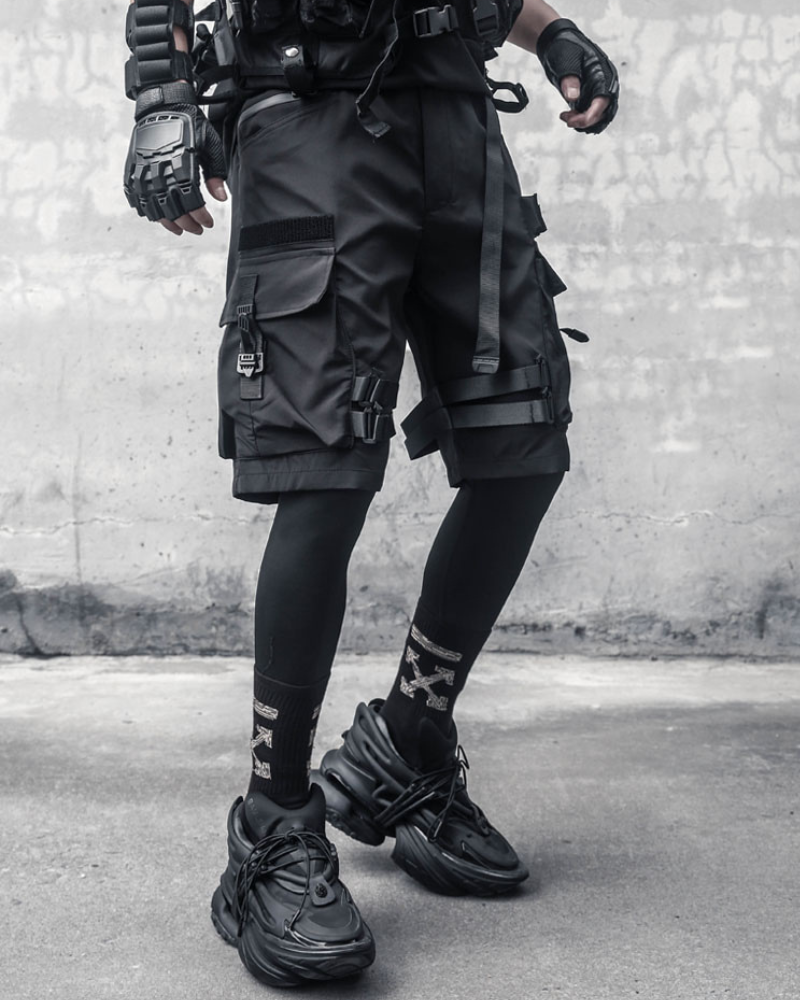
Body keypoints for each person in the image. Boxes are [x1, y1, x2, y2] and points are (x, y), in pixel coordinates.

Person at [123, 0, 618, 987]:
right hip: (313, 114)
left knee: (522, 445)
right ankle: (272, 821)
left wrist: (547, 31)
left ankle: (407, 742)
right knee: (326, 470)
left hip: (455, 114)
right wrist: (161, 95)